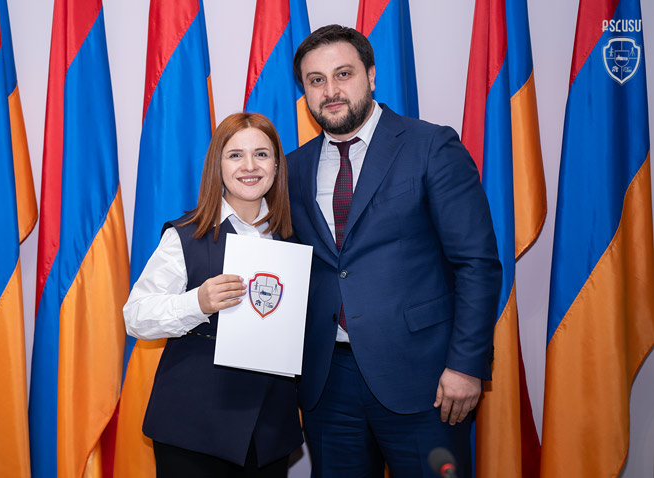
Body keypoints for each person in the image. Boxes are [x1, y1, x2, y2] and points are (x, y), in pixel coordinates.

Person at [287, 25, 502, 477]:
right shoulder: (293, 167)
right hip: (328, 385)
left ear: (371, 75)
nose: (331, 91)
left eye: (343, 74)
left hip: (426, 380)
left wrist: (466, 366)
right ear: (305, 92)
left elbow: (476, 264)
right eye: (316, 80)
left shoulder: (431, 146)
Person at [123, 112, 303, 477]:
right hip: (193, 427)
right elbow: (135, 316)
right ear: (217, 166)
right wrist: (197, 303)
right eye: (235, 155)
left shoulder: (296, 238)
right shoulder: (185, 236)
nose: (249, 166)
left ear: (277, 165)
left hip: (269, 428)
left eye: (261, 154)